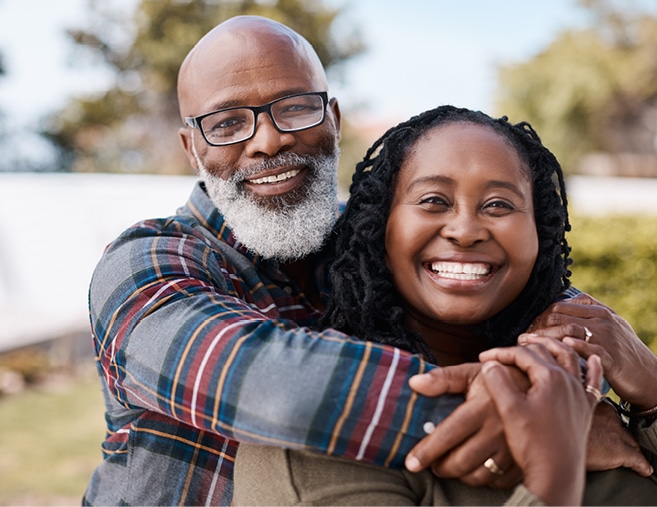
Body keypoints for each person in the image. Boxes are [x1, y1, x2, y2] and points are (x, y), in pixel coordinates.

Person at [82, 16, 653, 506]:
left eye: (294, 109)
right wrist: (538, 417)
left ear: (331, 118)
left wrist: (622, 370)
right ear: (191, 148)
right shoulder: (148, 264)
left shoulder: (374, 232)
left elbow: (519, 290)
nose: (266, 141)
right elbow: (271, 384)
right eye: (227, 123)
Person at [233, 105, 657, 505]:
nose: (466, 230)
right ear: (378, 228)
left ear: (540, 235)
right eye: (434, 200)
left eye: (498, 205)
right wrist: (554, 462)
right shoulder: (314, 434)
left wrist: (651, 392)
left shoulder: (576, 376)